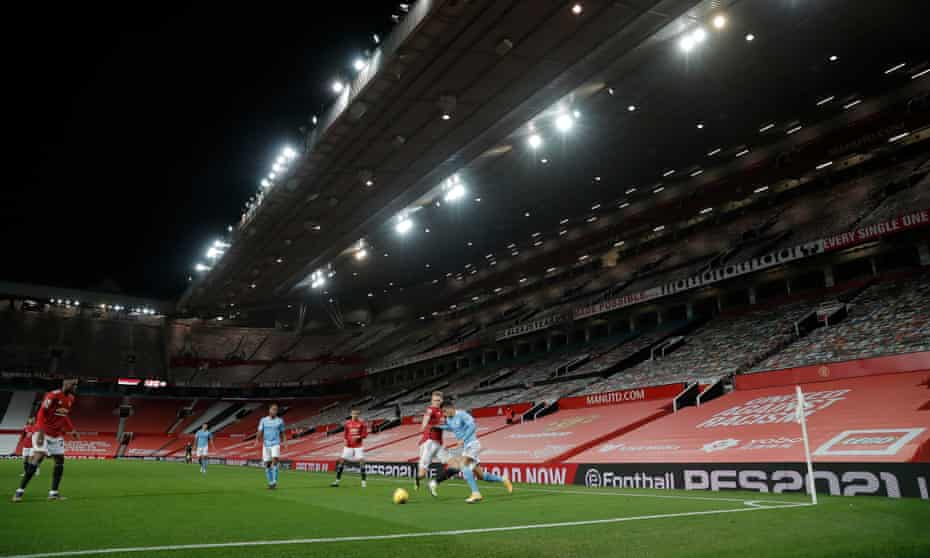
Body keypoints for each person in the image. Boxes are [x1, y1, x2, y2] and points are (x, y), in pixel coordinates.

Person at [429, 400, 512, 503]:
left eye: (445, 411)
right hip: (466, 448)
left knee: (463, 465)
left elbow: (473, 426)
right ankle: (503, 479)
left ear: (451, 408)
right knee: (481, 476)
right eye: (443, 412)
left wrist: (463, 439)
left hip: (472, 444)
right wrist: (438, 426)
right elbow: (451, 427)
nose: (444, 414)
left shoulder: (462, 414)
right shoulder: (449, 419)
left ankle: (476, 493)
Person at [13, 378, 79, 502]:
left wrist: (72, 429)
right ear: (66, 384)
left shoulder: (71, 398)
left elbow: (64, 416)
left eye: (77, 385)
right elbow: (41, 414)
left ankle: (53, 493)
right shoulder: (53, 395)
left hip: (56, 434)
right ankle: (19, 492)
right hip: (42, 432)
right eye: (74, 384)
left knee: (60, 460)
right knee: (38, 456)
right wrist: (41, 433)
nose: (76, 387)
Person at [415, 391, 448, 492]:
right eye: (434, 400)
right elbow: (426, 417)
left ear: (442, 400)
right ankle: (417, 479)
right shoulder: (431, 409)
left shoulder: (444, 412)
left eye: (438, 400)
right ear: (431, 401)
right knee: (422, 475)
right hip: (428, 443)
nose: (436, 402)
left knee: (452, 465)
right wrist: (423, 426)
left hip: (439, 444)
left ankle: (434, 483)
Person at [330, 408, 368, 488]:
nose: (355, 415)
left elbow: (365, 435)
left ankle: (363, 482)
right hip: (348, 446)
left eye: (356, 414)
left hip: (358, 446)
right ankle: (337, 482)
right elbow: (345, 435)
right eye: (353, 414)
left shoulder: (362, 424)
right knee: (342, 461)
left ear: (358, 415)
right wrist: (345, 441)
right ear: (351, 414)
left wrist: (359, 437)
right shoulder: (347, 424)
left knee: (362, 461)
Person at [257, 403, 286, 489]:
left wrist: (285, 442)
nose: (274, 411)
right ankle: (270, 482)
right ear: (269, 410)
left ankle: (274, 482)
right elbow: (260, 431)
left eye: (276, 409)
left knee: (275, 460)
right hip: (266, 444)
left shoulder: (280, 421)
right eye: (273, 409)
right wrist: (257, 439)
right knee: (267, 464)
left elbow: (283, 433)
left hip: (275, 443)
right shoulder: (263, 420)